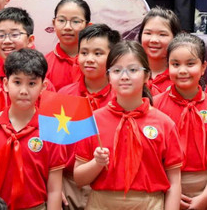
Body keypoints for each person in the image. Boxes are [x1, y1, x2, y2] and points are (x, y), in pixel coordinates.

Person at [74, 41, 183, 210]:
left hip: (149, 204)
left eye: (133, 70)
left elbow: (175, 182)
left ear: (147, 76)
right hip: (101, 204)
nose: (124, 76)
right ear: (108, 76)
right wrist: (97, 163)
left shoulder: (164, 123)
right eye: (117, 71)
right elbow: (79, 179)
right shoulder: (92, 121)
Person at [0, 49, 65, 209]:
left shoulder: (52, 130)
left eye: (32, 83)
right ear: (5, 84)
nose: (23, 91)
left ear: (44, 86)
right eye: (17, 82)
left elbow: (55, 189)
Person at [154, 34, 207, 210]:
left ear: (203, 67)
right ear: (168, 66)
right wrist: (168, 189)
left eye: (190, 64)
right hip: (164, 185)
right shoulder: (155, 105)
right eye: (175, 64)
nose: (182, 70)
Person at [57, 24, 120, 210]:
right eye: (84, 53)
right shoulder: (64, 95)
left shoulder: (121, 96)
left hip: (110, 185)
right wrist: (52, 183)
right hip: (68, 184)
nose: (89, 59)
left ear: (113, 57)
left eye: (98, 53)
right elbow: (51, 147)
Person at [45, 0, 91, 90]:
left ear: (87, 26)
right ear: (54, 24)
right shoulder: (44, 65)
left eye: (75, 21)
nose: (67, 27)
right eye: (61, 20)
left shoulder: (97, 63)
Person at [139, 8, 181, 95]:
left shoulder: (181, 75)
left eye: (162, 34)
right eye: (148, 33)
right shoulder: (129, 73)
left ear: (175, 38)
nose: (154, 40)